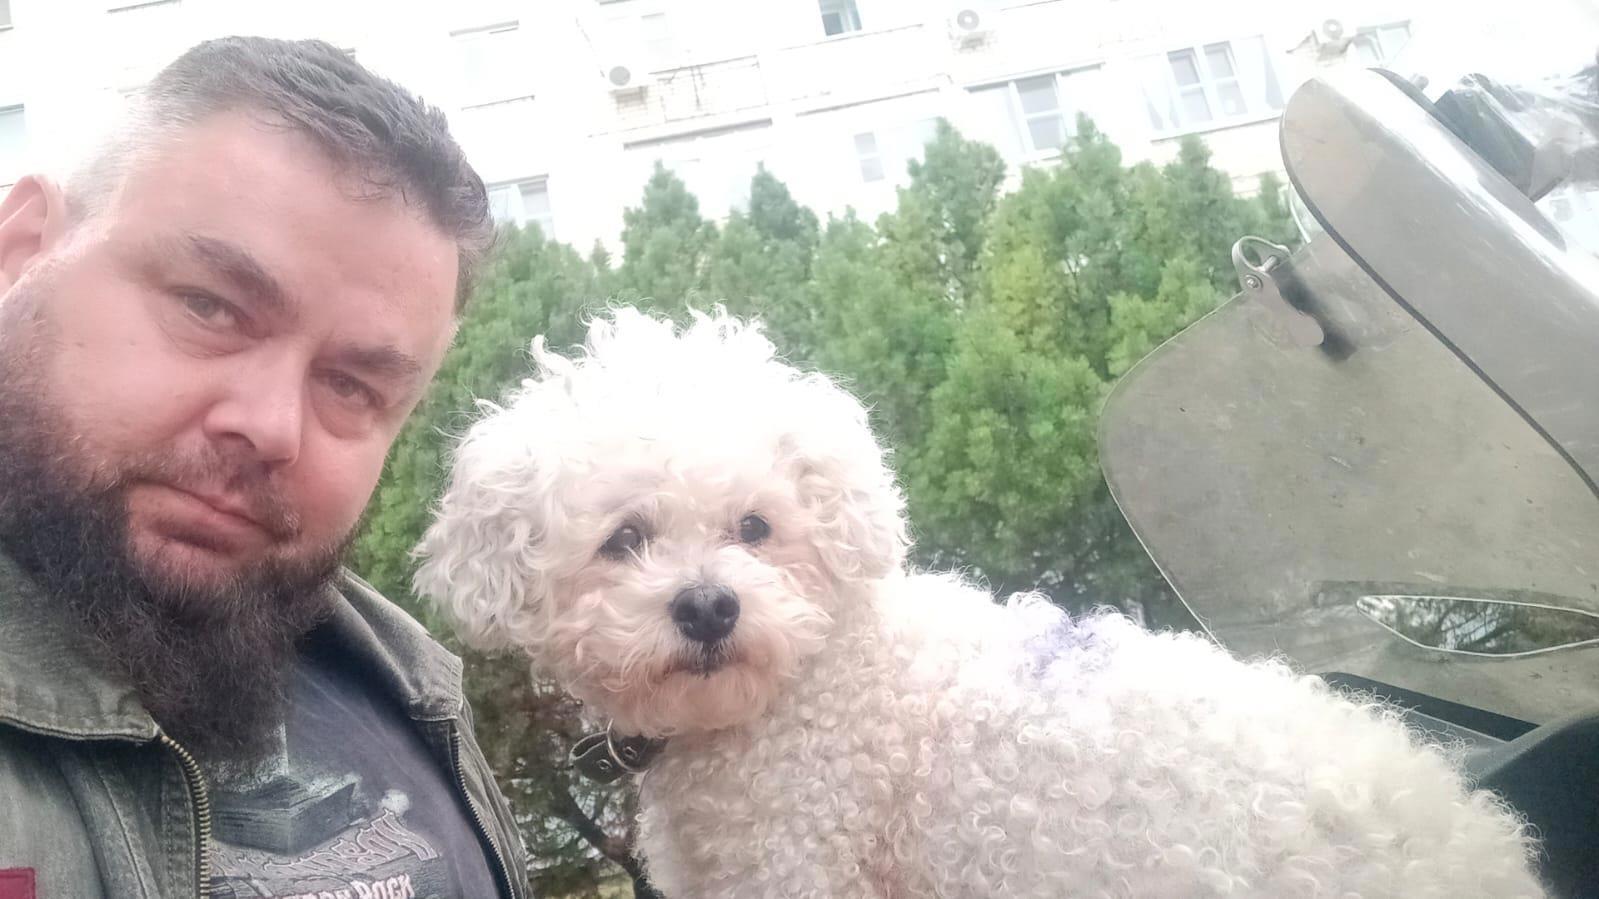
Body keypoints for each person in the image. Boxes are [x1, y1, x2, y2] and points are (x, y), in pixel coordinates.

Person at [0, 36, 530, 899]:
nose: (273, 426)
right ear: (21, 250)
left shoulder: (409, 681)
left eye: (351, 385)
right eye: (210, 307)